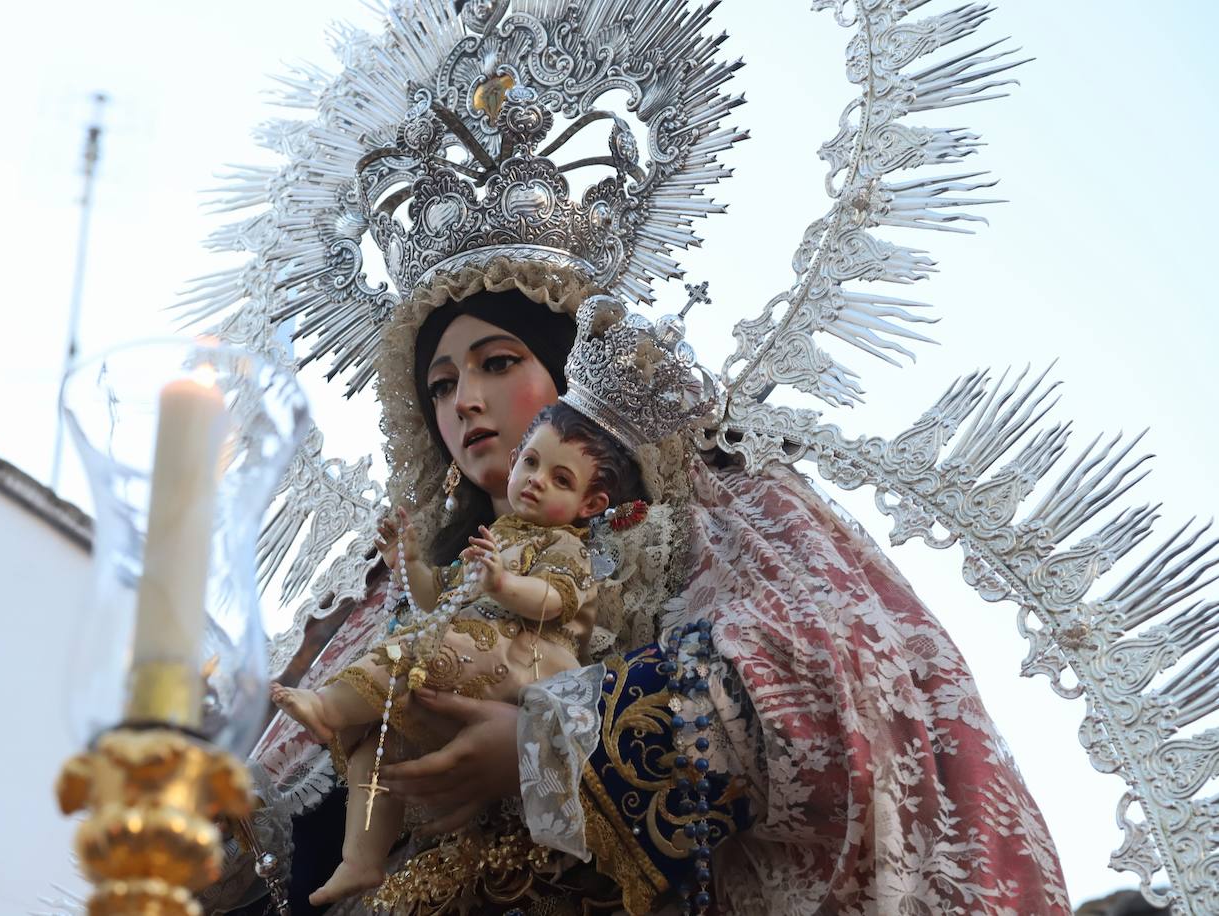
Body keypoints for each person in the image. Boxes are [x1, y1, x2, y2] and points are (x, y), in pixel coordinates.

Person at [220, 271, 1071, 916]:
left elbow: (847, 671)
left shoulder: (720, 509)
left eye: (498, 362)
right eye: (440, 384)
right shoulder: (385, 598)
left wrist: (547, 746)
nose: (465, 402)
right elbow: (267, 823)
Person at [268, 399, 645, 905]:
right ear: (514, 462)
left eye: (561, 479)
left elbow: (554, 600)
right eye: (531, 463)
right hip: (469, 655)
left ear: (590, 505)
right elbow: (435, 598)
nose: (536, 480)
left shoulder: (565, 546)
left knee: (413, 650)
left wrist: (503, 583)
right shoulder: (496, 537)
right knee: (379, 747)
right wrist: (408, 560)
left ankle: (328, 708)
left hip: (521, 660)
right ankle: (361, 859)